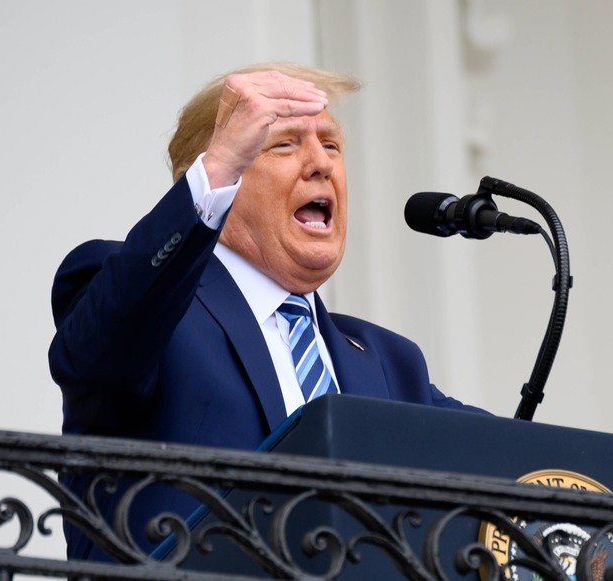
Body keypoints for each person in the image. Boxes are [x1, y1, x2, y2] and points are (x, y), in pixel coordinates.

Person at [48, 62, 485, 562]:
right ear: (224, 168)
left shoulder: (391, 362)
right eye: (285, 143)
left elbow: (509, 460)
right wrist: (214, 170)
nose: (321, 163)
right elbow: (102, 347)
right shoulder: (144, 300)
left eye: (332, 145)